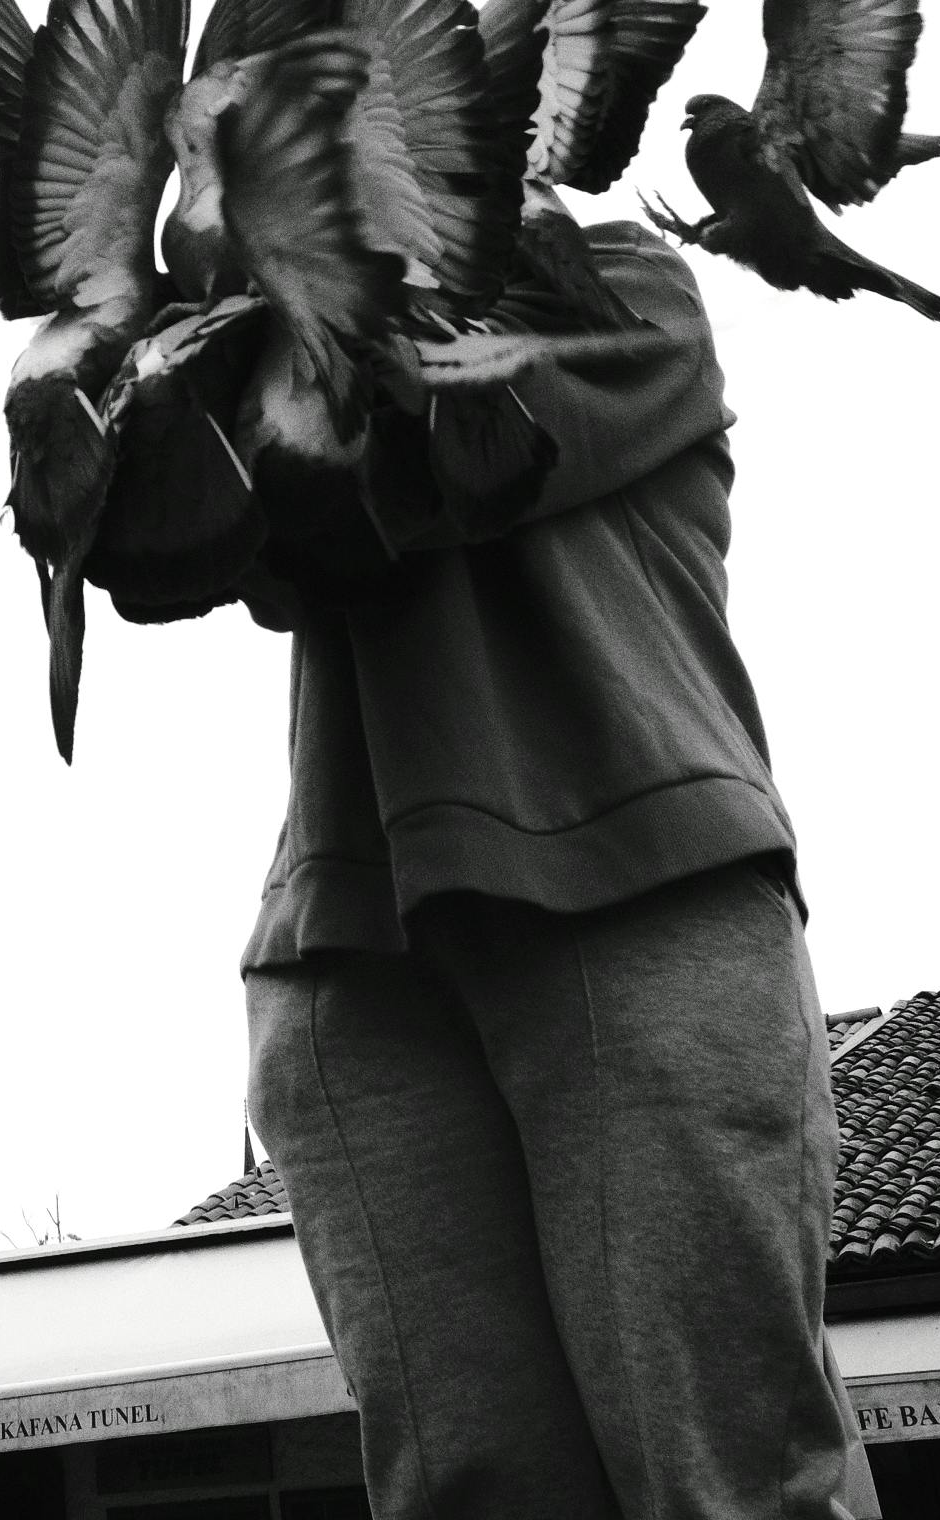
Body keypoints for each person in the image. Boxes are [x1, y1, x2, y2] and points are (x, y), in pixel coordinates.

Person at [234, 210, 870, 1520]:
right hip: (350, 946)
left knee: (725, 1481)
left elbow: (446, 448)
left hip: (640, 894)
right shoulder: (271, 320)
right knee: (467, 1491)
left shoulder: (628, 284)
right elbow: (215, 527)